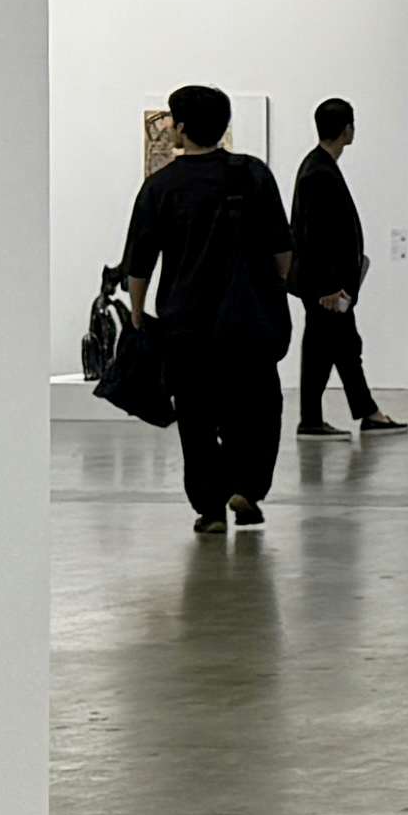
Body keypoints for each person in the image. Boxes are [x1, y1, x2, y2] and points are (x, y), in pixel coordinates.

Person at [113, 82, 293, 533]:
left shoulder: (160, 187)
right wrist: (274, 288)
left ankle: (210, 509)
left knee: (196, 417)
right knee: (257, 410)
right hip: (251, 321)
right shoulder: (253, 174)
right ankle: (246, 488)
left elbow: (139, 262)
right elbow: (281, 249)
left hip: (187, 324)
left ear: (181, 127)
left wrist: (137, 312)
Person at [289, 97, 390, 439]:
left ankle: (361, 412)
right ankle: (321, 418)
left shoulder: (317, 166)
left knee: (338, 348)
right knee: (332, 349)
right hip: (327, 286)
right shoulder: (319, 172)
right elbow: (316, 235)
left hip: (326, 284)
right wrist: (330, 287)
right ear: (347, 129)